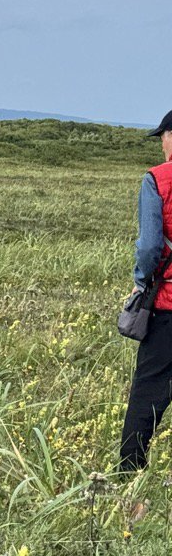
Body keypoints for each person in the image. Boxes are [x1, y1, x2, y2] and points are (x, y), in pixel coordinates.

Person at [120, 109, 172, 471]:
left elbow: (151, 247)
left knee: (149, 391)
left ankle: (128, 473)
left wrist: (142, 281)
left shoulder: (157, 179)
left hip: (167, 305)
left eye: (163, 138)